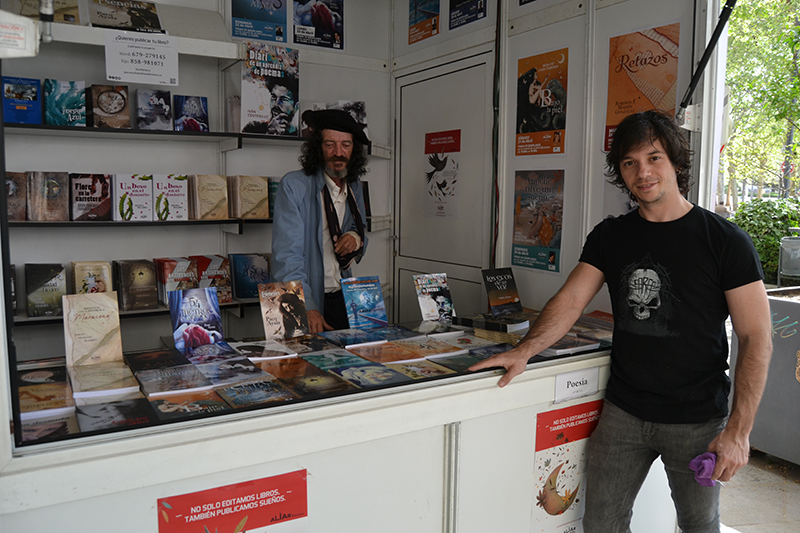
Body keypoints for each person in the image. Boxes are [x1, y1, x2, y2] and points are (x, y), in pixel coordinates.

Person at [469, 110, 772, 533]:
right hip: (624, 412)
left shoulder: (725, 241)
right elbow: (570, 301)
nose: (642, 172)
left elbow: (756, 337)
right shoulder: (611, 236)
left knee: (699, 525)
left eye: (654, 158)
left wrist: (738, 431)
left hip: (697, 418)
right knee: (601, 525)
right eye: (630, 162)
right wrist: (524, 351)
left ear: (676, 162)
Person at [271, 109, 370, 333]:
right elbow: (286, 256)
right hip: (306, 297)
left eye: (346, 145)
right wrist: (305, 304)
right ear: (318, 147)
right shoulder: (293, 185)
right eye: (329, 144)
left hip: (342, 294)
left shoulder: (354, 185)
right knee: (303, 356)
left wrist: (354, 237)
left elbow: (359, 228)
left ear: (354, 149)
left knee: (348, 355)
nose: (338, 153)